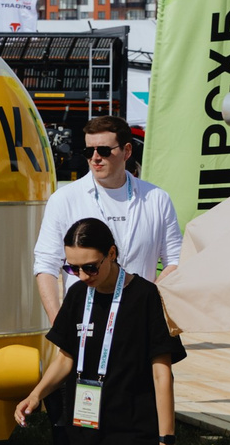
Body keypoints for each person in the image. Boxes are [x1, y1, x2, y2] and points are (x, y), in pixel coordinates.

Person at [14, 217, 184, 445]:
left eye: (90, 267)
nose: (83, 276)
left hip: (133, 431)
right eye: (73, 269)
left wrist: (166, 440)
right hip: (84, 428)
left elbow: (162, 374)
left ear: (111, 253)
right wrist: (35, 395)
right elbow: (65, 359)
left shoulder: (146, 297)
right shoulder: (77, 295)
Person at [30, 115, 181, 324]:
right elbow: (46, 264)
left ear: (127, 151)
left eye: (103, 150)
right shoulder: (64, 199)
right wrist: (58, 322)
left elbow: (175, 260)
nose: (95, 158)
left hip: (139, 321)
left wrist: (147, 299)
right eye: (88, 151)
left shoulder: (157, 198)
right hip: (84, 322)